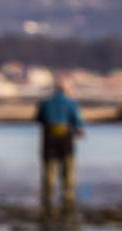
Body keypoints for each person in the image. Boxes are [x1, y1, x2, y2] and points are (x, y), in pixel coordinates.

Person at [34, 80, 85, 216]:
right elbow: (78, 121)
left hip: (49, 138)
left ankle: (47, 197)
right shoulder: (71, 103)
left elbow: (38, 119)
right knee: (68, 168)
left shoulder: (45, 103)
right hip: (65, 138)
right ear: (66, 90)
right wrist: (80, 131)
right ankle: (68, 196)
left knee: (49, 169)